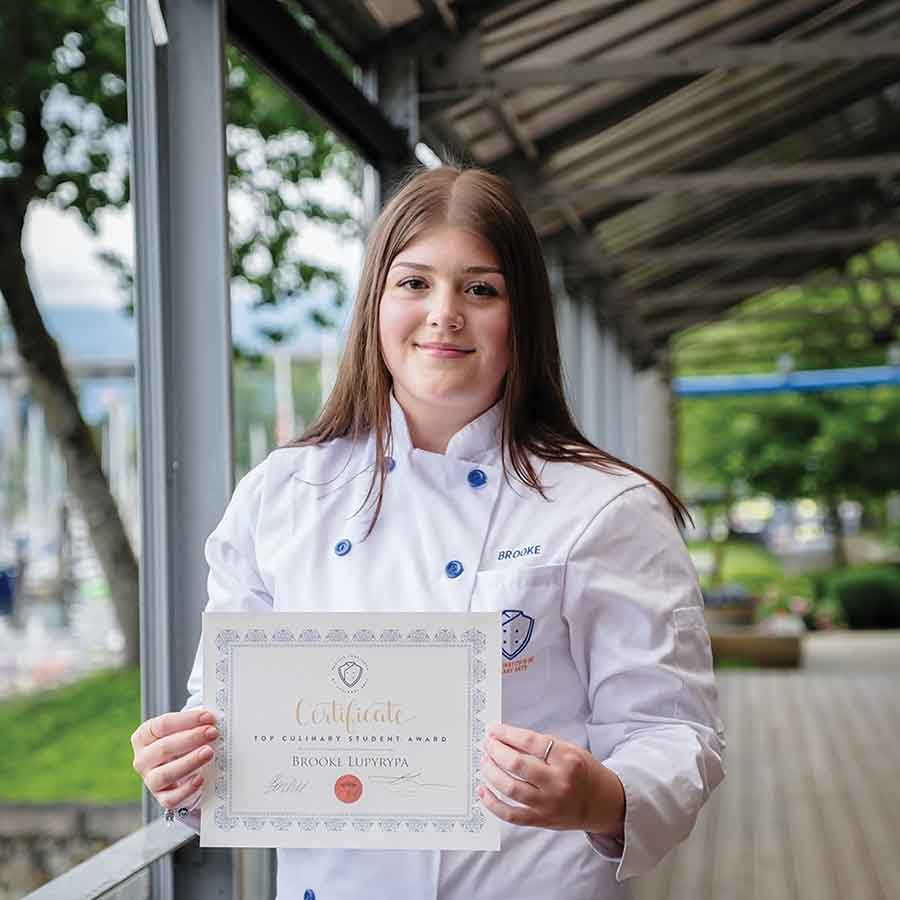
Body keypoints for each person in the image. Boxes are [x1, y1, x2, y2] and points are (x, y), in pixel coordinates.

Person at [132, 163, 726, 900]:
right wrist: (185, 766)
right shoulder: (281, 495)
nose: (445, 313)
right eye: (414, 283)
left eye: (481, 289)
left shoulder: (608, 506)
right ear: (375, 305)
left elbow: (674, 734)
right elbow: (225, 714)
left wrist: (599, 797)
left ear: (523, 318)